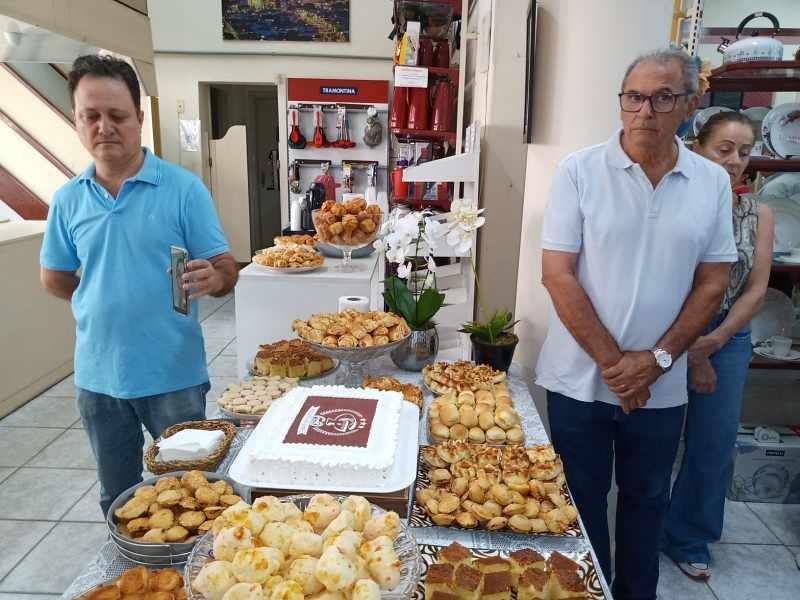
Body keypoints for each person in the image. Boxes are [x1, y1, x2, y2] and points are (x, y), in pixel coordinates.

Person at [536, 48, 737, 600]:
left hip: (661, 387)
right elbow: (558, 275)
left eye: (662, 97)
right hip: (579, 380)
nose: (645, 110)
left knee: (648, 502)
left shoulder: (710, 183)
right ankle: (587, 592)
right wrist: (615, 364)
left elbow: (712, 282)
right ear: (621, 101)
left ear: (690, 106)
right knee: (578, 505)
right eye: (634, 96)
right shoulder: (580, 170)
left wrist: (657, 360)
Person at [40, 55, 238, 515]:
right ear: (76, 120)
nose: (104, 127)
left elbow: (226, 268)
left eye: (117, 116)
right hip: (99, 380)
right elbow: (54, 278)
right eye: (91, 116)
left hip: (174, 377)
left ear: (140, 119)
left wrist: (217, 277)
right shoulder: (68, 200)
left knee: (191, 495)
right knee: (119, 496)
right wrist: (102, 301)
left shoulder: (183, 190)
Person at [662, 111, 774, 580]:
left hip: (727, 336)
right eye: (723, 149)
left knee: (713, 442)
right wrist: (687, 344)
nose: (734, 161)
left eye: (744, 153)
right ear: (697, 148)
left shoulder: (759, 213)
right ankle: (641, 529)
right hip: (667, 332)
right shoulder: (673, 203)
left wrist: (714, 342)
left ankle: (690, 537)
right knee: (655, 438)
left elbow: (757, 288)